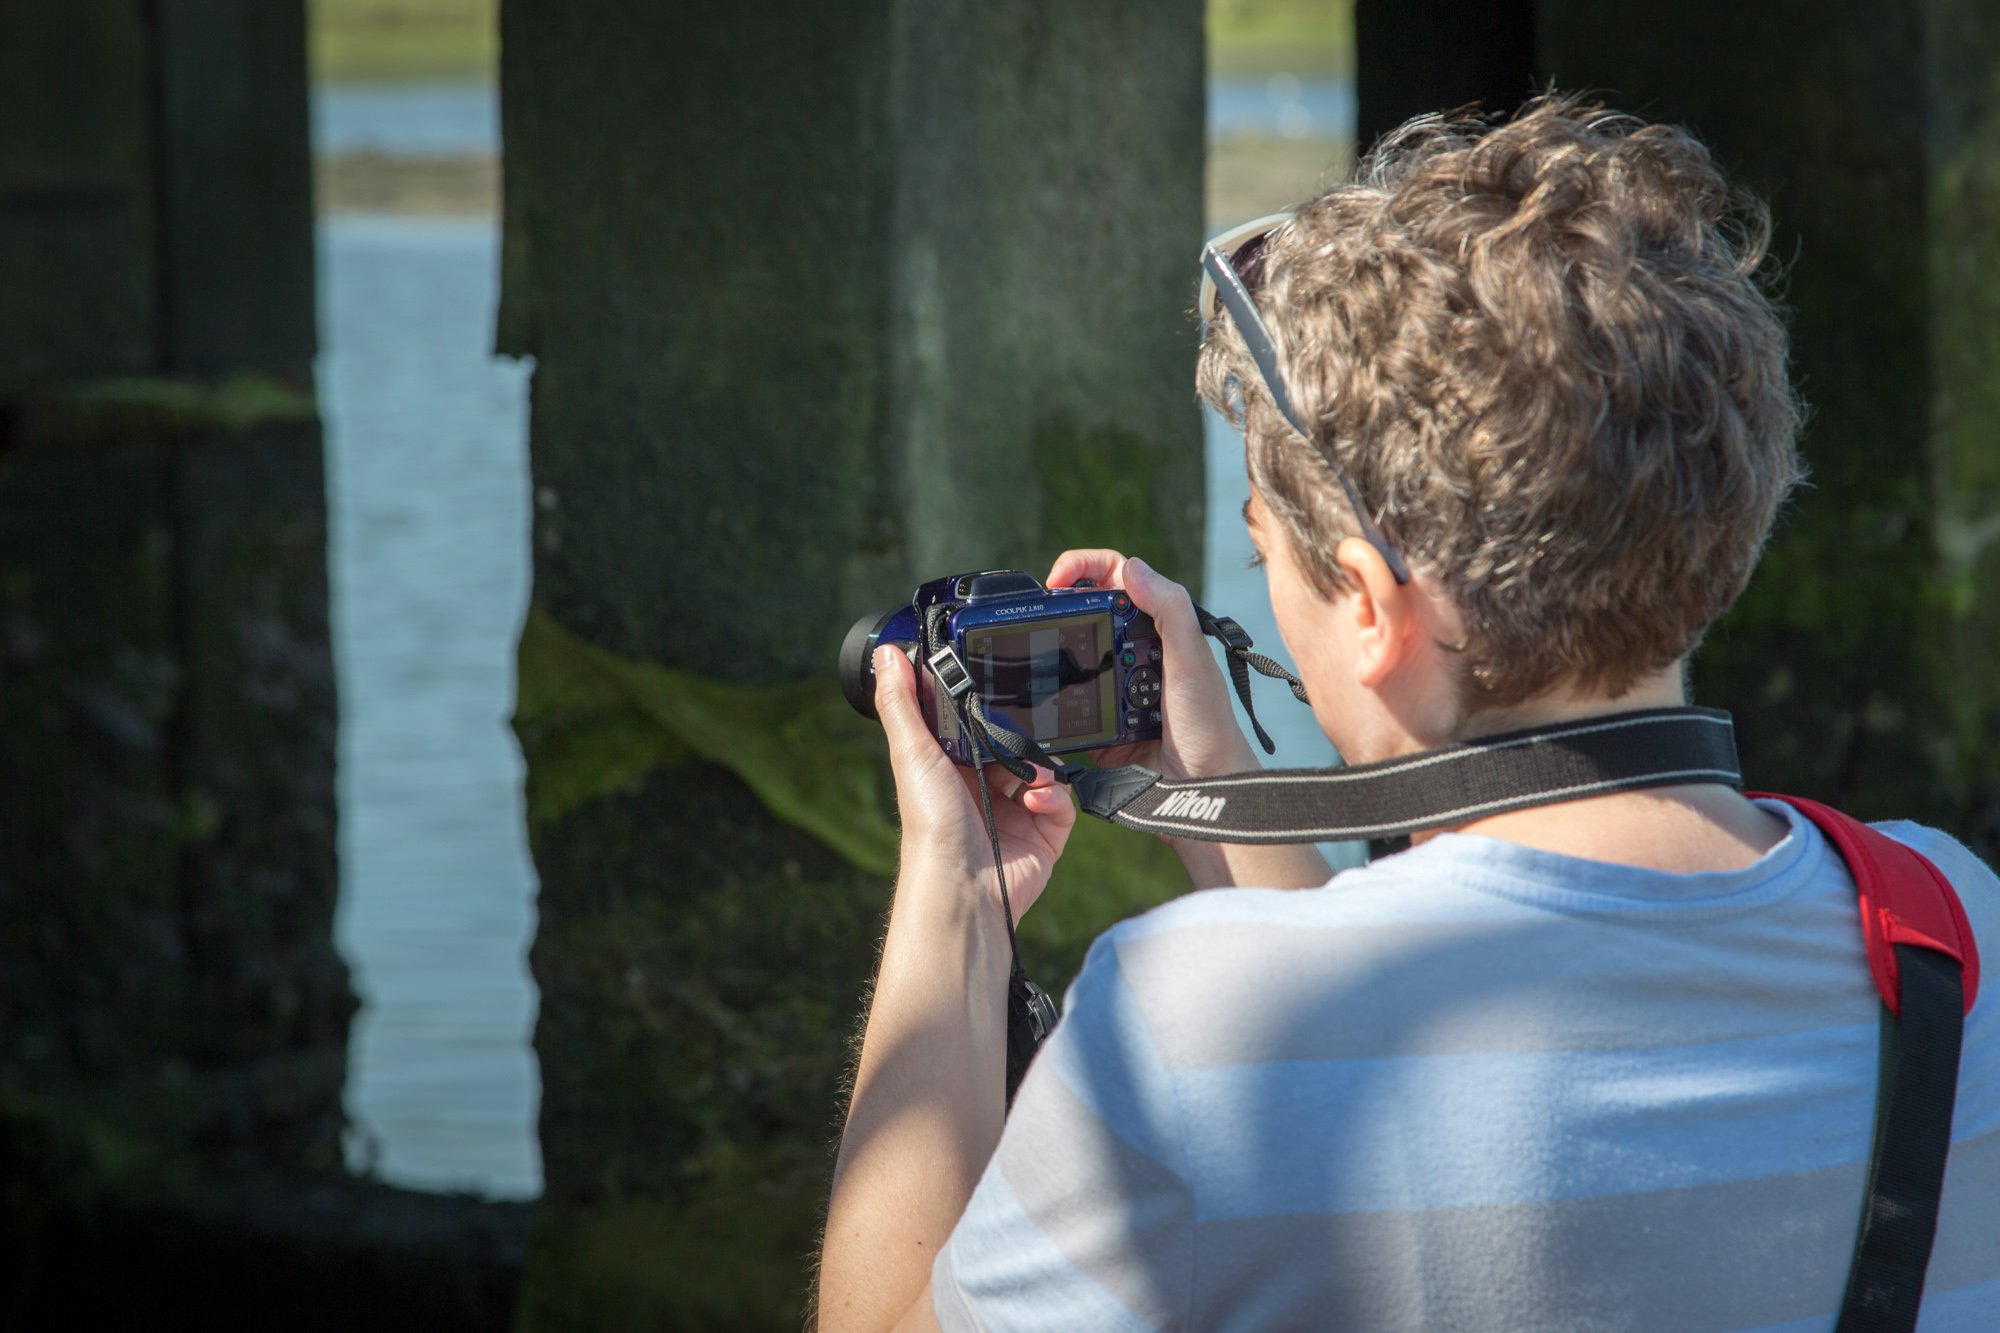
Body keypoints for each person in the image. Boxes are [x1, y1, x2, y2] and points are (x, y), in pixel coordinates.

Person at [815, 98, 2000, 1332]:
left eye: (1266, 553)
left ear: (1371, 609)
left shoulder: (1188, 1022)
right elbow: (1365, 1021)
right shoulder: (1943, 933)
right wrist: (1209, 770)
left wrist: (954, 890)